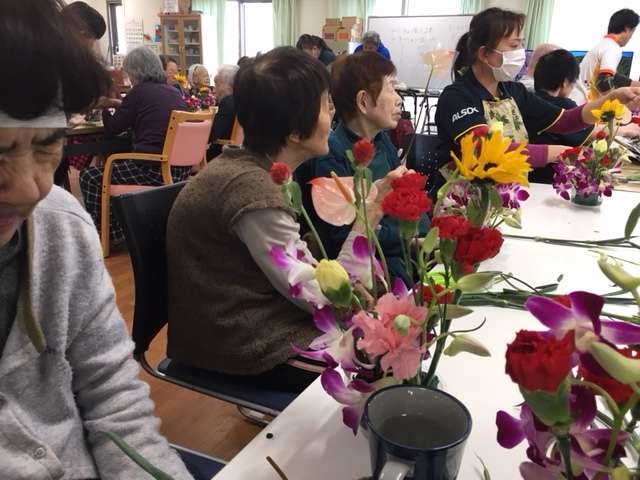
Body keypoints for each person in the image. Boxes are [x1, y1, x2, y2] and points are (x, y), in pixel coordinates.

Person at [0, 1, 194, 478]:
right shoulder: (172, 94)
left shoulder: (60, 228)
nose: (29, 189)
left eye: (47, 143)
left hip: (140, 166)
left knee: (90, 181)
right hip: (163, 168)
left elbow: (115, 401)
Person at [166, 47, 407, 392]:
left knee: (390, 340)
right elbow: (320, 296)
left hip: (265, 316)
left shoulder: (256, 172)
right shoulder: (252, 192)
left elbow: (308, 271)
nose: (332, 115)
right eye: (325, 106)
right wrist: (368, 216)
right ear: (294, 131)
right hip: (244, 341)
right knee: (385, 361)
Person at [435, 7, 640, 190]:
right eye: (513, 45)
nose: (520, 53)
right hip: (462, 200)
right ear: (484, 54)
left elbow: (565, 120)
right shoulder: (457, 97)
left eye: (521, 44)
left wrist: (613, 98)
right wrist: (555, 153)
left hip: (506, 196)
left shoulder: (512, 91)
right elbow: (485, 149)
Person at [295, 51, 416, 286]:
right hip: (368, 271)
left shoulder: (381, 141)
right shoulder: (332, 155)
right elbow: (342, 236)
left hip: (401, 256)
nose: (399, 99)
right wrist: (409, 239)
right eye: (391, 88)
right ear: (363, 102)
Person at [80, 46, 190, 245]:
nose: (129, 78)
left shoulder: (139, 92)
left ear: (135, 72)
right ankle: (122, 228)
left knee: (90, 176)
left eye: (129, 73)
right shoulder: (173, 92)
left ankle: (109, 235)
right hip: (180, 171)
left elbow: (111, 129)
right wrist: (121, 105)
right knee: (116, 165)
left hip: (152, 170)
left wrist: (106, 106)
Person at [572, 8, 640, 104]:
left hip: (575, 99)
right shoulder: (613, 48)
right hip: (582, 102)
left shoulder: (605, 44)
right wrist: (618, 104)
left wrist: (636, 85)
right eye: (632, 32)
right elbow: (603, 82)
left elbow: (613, 77)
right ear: (627, 29)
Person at [207, 64, 239, 159]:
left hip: (221, 154)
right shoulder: (241, 99)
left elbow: (212, 135)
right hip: (238, 151)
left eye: (217, 83)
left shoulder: (227, 102)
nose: (214, 88)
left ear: (228, 85)